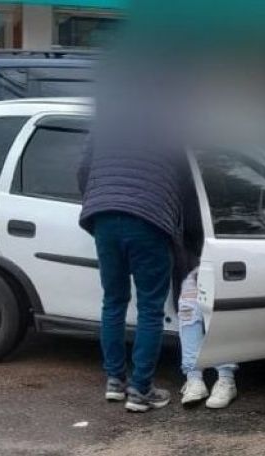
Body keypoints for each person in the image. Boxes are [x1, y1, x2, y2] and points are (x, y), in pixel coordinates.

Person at [78, 131, 202, 413]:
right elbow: (187, 183)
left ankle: (114, 382)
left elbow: (84, 169)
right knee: (149, 308)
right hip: (149, 219)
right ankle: (141, 389)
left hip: (105, 218)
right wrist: (190, 235)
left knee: (113, 301)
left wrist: (98, 202)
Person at [177, 268, 238, 408]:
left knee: (219, 310)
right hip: (193, 261)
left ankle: (226, 379)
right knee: (188, 311)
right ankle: (194, 379)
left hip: (220, 259)